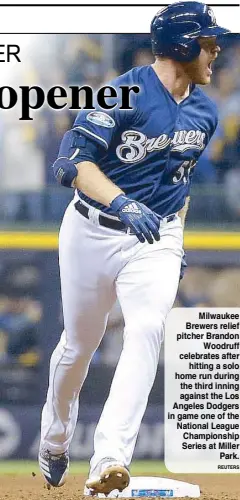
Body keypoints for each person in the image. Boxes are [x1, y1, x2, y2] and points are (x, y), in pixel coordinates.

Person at [38, 1, 233, 494]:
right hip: (93, 228)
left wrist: (174, 241)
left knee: (147, 329)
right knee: (78, 346)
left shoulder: (205, 112)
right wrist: (123, 202)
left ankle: (108, 459)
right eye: (209, 43)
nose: (218, 51)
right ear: (183, 45)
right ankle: (55, 439)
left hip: (157, 236)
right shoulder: (125, 90)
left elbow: (179, 185)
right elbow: (71, 162)